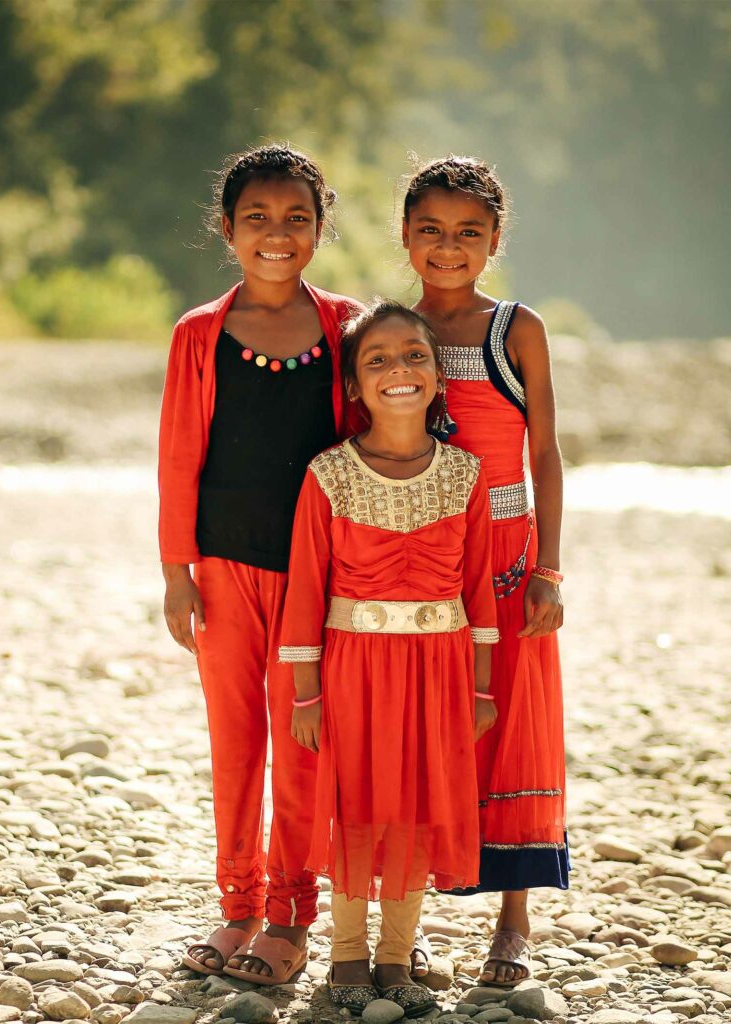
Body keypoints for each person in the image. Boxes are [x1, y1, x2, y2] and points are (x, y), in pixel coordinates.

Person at [158, 144, 363, 984]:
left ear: (319, 228)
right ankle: (239, 906)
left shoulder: (347, 326)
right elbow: (178, 459)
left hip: (319, 577)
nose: (276, 234)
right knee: (236, 741)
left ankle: (291, 914)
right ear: (227, 229)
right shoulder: (200, 334)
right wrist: (177, 570)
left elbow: (375, 442)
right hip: (222, 568)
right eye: (257, 219)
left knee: (303, 739)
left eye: (295, 219)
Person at [278, 301, 499, 1016]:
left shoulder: (466, 476)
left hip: (437, 671)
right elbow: (306, 588)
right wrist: (306, 694)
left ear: (437, 375)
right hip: (350, 668)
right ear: (351, 386)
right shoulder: (328, 475)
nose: (398, 370)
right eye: (377, 359)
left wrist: (481, 688)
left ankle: (397, 955)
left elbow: (478, 593)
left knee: (412, 805)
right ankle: (346, 954)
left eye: (414, 356)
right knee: (353, 804)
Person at [401, 155, 569, 987]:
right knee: (415, 728)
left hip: (505, 560)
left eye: (468, 233)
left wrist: (550, 570)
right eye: (429, 230)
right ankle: (407, 916)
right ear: (404, 237)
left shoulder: (516, 330)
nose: (447, 247)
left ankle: (513, 921)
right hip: (418, 558)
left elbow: (544, 452)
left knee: (509, 721)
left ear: (495, 240)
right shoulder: (389, 330)